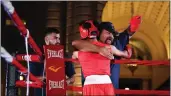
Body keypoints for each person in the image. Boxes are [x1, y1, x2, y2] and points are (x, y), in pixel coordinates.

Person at [72, 16, 142, 90]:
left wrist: (135, 24)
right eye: (108, 33)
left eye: (112, 34)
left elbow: (129, 32)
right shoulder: (88, 44)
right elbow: (76, 43)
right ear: (99, 33)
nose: (111, 36)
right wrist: (100, 50)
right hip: (92, 88)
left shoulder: (116, 44)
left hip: (111, 88)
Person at [17, 28, 76, 96]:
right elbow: (31, 78)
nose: (58, 41)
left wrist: (65, 81)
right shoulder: (37, 55)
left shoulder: (64, 55)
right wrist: (47, 78)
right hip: (42, 93)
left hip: (59, 93)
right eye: (55, 38)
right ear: (46, 39)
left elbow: (72, 78)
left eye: (59, 38)